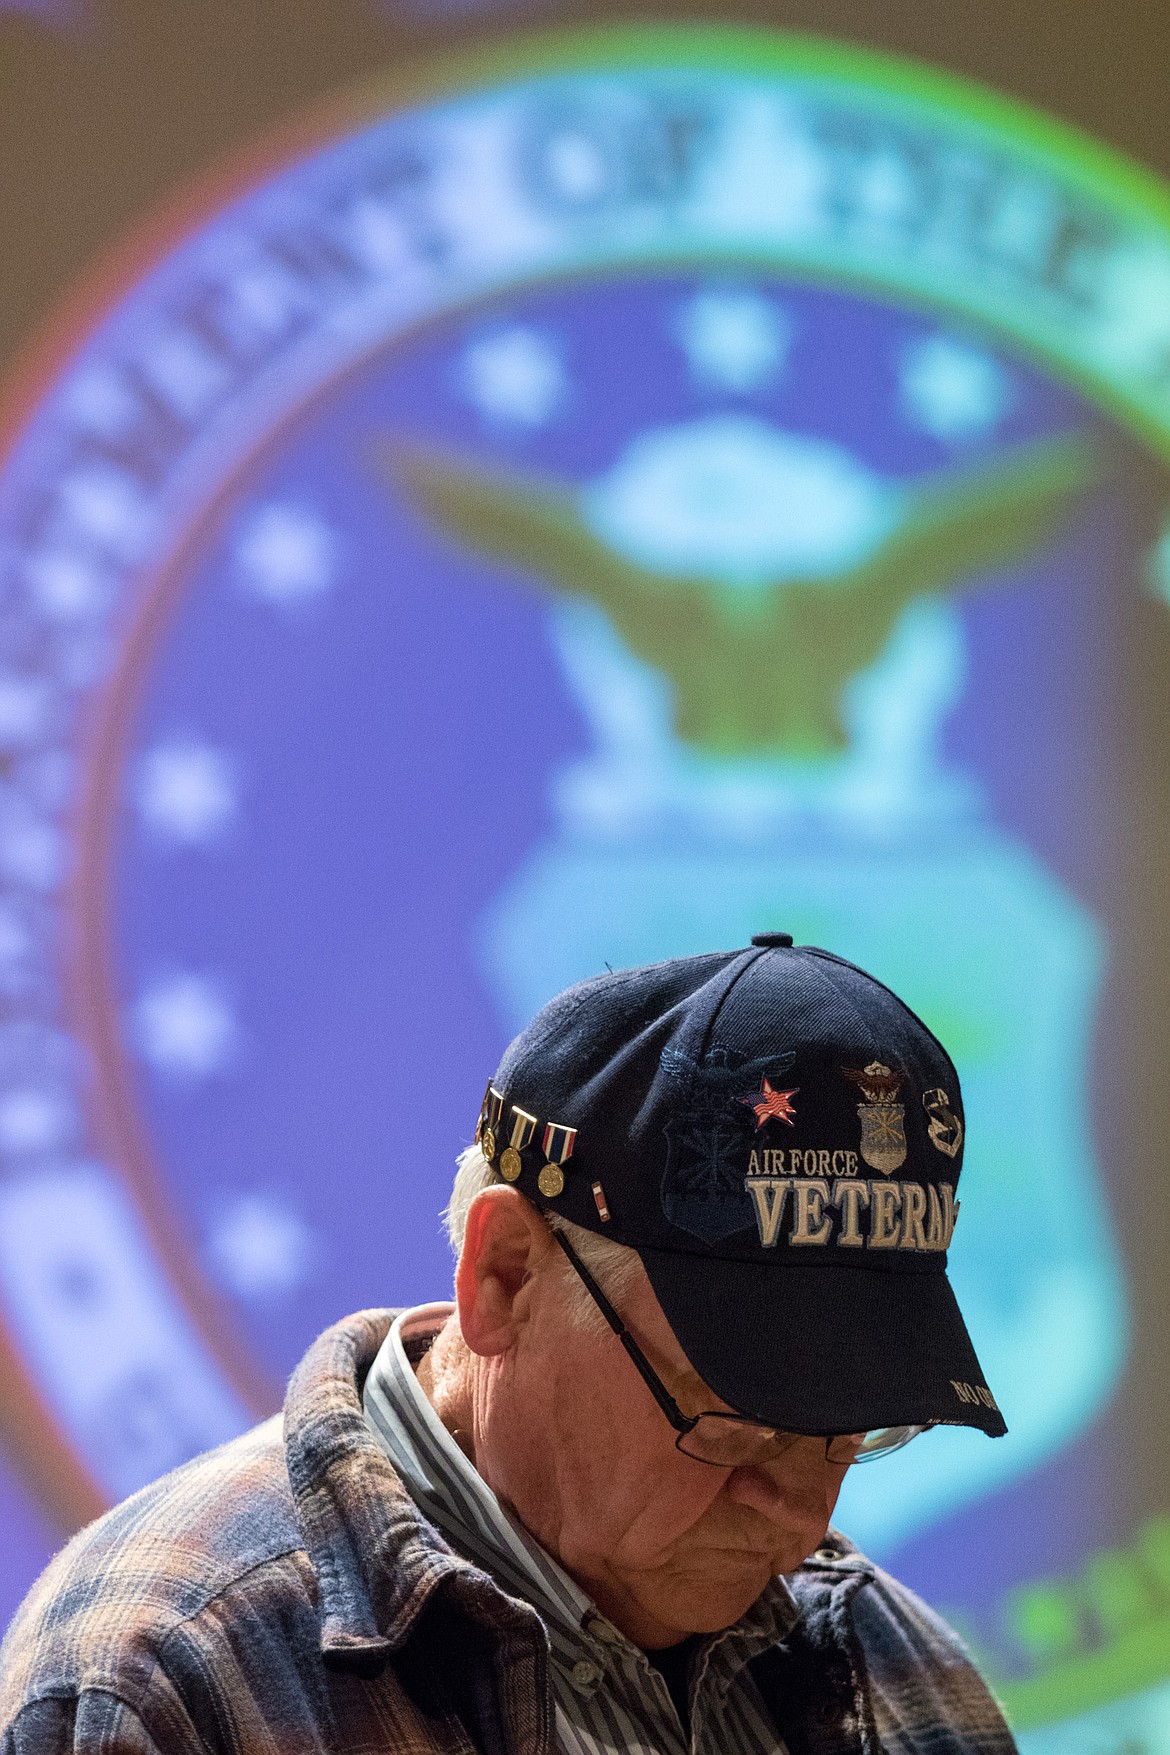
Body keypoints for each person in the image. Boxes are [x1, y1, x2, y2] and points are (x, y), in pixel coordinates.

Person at [0, 935, 1017, 1754]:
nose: (797, 1521)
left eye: (845, 1431)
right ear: (507, 1277)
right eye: (737, 1420)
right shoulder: (169, 1683)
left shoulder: (895, 1672)